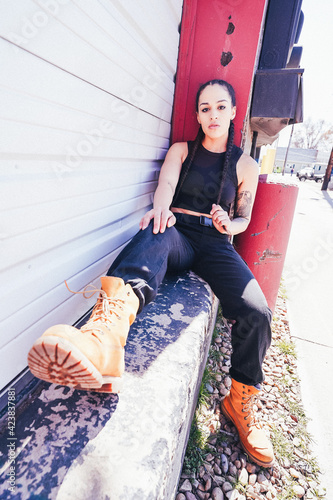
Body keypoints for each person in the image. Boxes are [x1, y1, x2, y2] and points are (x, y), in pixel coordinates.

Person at [28, 79, 274, 467]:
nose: (212, 115)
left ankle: (239, 400)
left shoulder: (246, 164)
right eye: (205, 108)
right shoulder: (182, 150)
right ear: (196, 115)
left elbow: (244, 217)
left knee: (257, 311)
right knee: (151, 233)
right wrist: (162, 210)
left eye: (220, 107)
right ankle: (104, 340)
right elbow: (167, 185)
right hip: (177, 229)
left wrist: (231, 223)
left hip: (214, 242)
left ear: (233, 112)